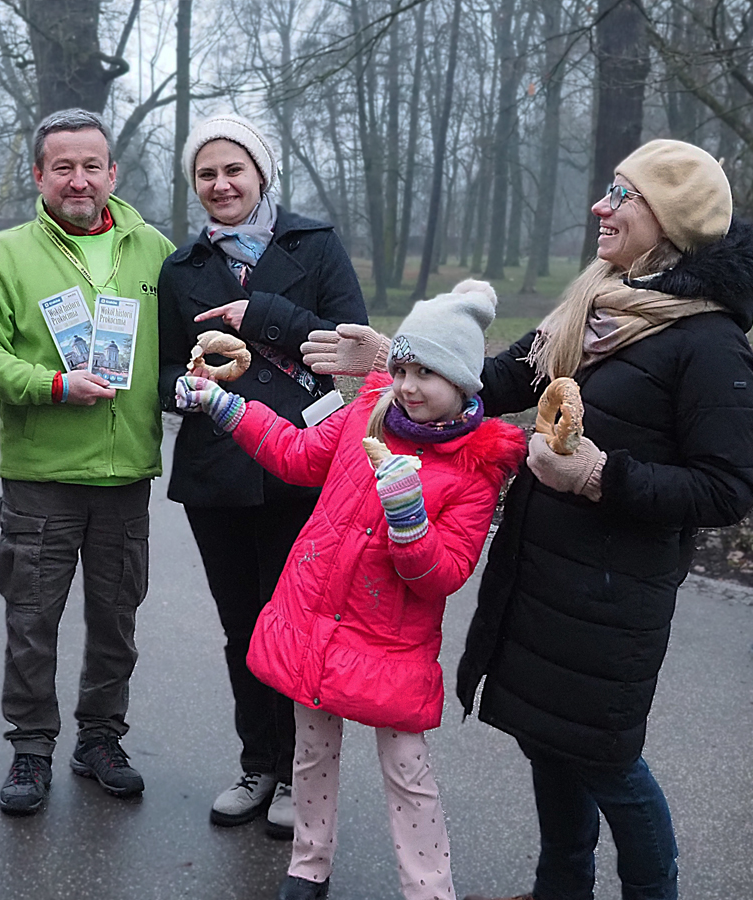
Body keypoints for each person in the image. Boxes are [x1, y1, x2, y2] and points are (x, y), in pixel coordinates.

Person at [303, 139, 753, 900]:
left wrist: (601, 477)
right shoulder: (593, 302)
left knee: (608, 762)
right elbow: (503, 377)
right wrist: (399, 356)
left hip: (612, 595)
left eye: (623, 195)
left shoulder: (708, 343)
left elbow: (726, 489)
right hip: (540, 573)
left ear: (669, 219)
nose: (600, 206)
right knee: (549, 739)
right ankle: (560, 889)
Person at [177, 282, 526, 900]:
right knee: (311, 753)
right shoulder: (366, 413)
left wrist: (409, 523)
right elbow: (295, 453)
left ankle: (429, 889)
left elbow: (444, 575)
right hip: (313, 616)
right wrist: (224, 405)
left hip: (390, 643)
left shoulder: (473, 471)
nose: (408, 386)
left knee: (407, 772)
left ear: (462, 383)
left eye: (427, 374)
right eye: (402, 369)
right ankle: (308, 865)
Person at [0, 108, 175, 816]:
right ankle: (31, 747)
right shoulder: (3, 257)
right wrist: (50, 384)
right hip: (40, 478)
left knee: (116, 622)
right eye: (63, 167)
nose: (79, 180)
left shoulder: (156, 251)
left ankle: (100, 739)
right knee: (31, 621)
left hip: (125, 475)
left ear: (113, 173)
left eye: (91, 166)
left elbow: (182, 347)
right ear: (40, 175)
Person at [157, 113, 368, 837]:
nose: (221, 185)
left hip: (302, 468)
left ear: (261, 173)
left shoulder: (315, 245)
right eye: (206, 174)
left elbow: (352, 347)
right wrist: (180, 390)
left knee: (297, 624)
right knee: (241, 626)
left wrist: (261, 314)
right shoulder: (183, 268)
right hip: (218, 472)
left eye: (233, 170)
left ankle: (301, 773)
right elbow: (165, 365)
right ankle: (258, 764)